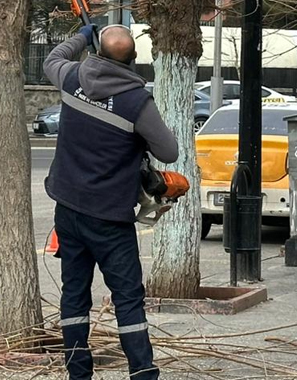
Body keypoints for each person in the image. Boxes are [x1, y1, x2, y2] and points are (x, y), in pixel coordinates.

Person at [44, 25, 179, 380]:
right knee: (128, 298)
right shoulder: (136, 102)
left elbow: (52, 59)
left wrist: (80, 36)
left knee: (74, 295)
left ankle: (78, 373)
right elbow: (169, 151)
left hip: (68, 210)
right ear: (133, 59)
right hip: (109, 217)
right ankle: (142, 373)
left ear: (97, 52)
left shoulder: (72, 77)